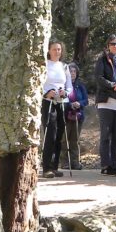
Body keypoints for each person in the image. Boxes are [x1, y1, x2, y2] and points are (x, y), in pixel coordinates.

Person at [94, 35, 116, 176]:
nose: (115, 46)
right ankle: (106, 165)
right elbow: (99, 78)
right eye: (112, 44)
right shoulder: (102, 59)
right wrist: (113, 85)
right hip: (106, 102)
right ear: (108, 45)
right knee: (106, 135)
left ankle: (115, 164)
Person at [41, 40, 72, 178]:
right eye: (54, 49)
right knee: (50, 133)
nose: (57, 52)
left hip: (61, 102)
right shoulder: (44, 65)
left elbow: (69, 86)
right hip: (48, 102)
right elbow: (38, 83)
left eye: (59, 49)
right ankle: (46, 167)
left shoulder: (64, 66)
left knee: (59, 134)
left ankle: (55, 166)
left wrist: (65, 93)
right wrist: (46, 93)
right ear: (48, 50)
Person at [62, 62, 88, 170]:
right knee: (64, 139)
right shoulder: (63, 85)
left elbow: (86, 100)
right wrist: (70, 105)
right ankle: (64, 162)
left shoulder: (80, 85)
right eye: (70, 71)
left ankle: (75, 162)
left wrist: (79, 103)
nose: (72, 73)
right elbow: (62, 99)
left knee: (75, 140)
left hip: (78, 116)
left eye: (74, 71)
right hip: (66, 115)